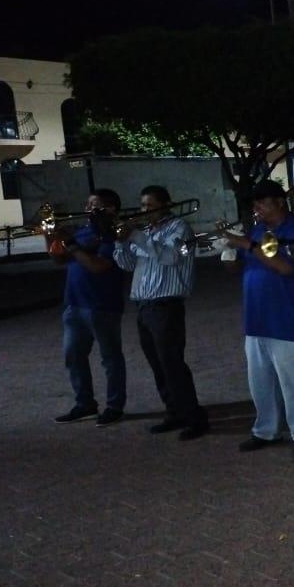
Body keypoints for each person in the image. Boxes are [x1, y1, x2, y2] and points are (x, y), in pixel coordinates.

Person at [221, 182, 294, 461]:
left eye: (262, 203)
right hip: (256, 319)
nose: (257, 209)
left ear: (279, 202)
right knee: (260, 381)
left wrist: (246, 244)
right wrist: (228, 249)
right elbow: (235, 266)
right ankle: (265, 430)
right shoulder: (257, 231)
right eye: (255, 205)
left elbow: (285, 267)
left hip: (288, 319)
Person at [113, 185, 209, 440]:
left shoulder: (179, 228)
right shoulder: (144, 231)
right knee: (157, 364)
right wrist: (120, 242)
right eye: (143, 205)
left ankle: (194, 417)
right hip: (144, 306)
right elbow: (127, 264)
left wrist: (134, 236)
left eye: (151, 205)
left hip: (166, 305)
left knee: (172, 363)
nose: (145, 210)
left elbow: (169, 257)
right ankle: (174, 411)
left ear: (167, 204)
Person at [50, 189, 127, 427]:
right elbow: (59, 259)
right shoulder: (82, 230)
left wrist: (71, 244)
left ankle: (114, 406)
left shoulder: (112, 234)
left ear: (111, 208)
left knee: (110, 359)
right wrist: (50, 235)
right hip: (74, 304)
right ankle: (84, 404)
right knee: (73, 356)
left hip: (103, 304)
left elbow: (97, 266)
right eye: (88, 204)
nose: (89, 209)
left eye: (96, 205)